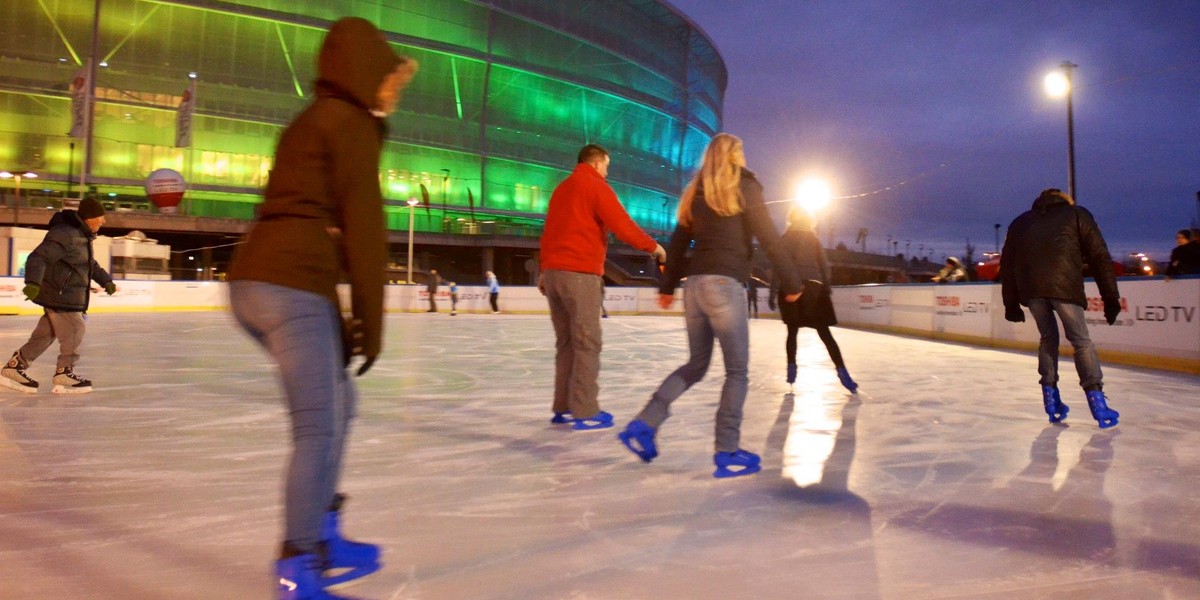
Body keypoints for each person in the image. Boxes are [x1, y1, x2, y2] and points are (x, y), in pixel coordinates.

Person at [226, 17, 416, 600]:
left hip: (255, 282)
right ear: (366, 71)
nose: (394, 91)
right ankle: (297, 563)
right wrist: (372, 323)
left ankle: (324, 533)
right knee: (318, 424)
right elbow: (363, 226)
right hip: (290, 285)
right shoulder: (350, 123)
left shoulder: (309, 122)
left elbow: (308, 221)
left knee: (340, 403)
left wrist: (344, 319)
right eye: (390, 79)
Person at [617, 133, 802, 478]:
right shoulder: (745, 186)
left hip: (695, 287)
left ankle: (645, 422)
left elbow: (676, 243)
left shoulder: (695, 192)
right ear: (735, 156)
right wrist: (792, 282)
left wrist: (669, 285)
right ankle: (726, 451)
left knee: (696, 364)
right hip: (724, 285)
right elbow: (770, 239)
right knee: (737, 372)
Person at [539, 143, 666, 430]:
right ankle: (584, 411)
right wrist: (653, 246)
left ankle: (563, 407)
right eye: (607, 166)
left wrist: (544, 270)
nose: (608, 172)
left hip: (554, 273)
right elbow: (621, 224)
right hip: (580, 274)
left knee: (567, 344)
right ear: (597, 164)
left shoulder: (562, 189)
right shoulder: (594, 185)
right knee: (587, 342)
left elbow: (549, 232)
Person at [1001, 188, 1121, 430]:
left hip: (1032, 290)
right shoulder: (1077, 214)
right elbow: (1099, 257)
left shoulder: (1020, 222)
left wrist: (1011, 302)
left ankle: (1052, 401)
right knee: (1081, 341)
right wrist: (1111, 298)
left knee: (1048, 338)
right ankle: (1097, 403)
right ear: (1066, 200)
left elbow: (1007, 264)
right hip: (1064, 286)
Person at [1, 197, 116, 395]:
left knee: (44, 336)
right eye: (100, 217)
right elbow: (39, 257)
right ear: (88, 218)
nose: (103, 221)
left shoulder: (81, 236)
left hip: (64, 295)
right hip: (61, 295)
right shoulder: (66, 235)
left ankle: (14, 367)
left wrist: (105, 280)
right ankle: (64, 372)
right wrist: (33, 283)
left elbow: (89, 265)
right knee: (75, 328)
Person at [777, 207, 857, 393]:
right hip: (814, 286)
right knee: (825, 334)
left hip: (791, 286)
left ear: (791, 219)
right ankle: (842, 371)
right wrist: (826, 287)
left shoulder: (785, 238)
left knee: (792, 331)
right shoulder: (813, 239)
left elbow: (779, 265)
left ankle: (791, 368)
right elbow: (823, 264)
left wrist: (776, 289)